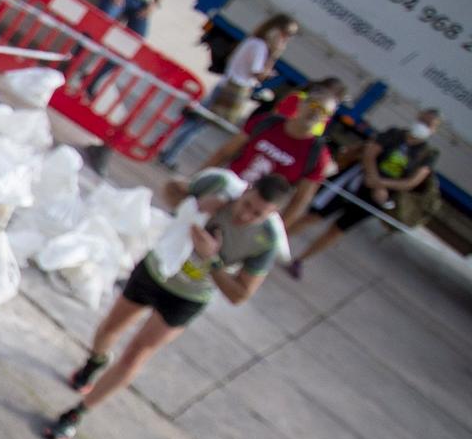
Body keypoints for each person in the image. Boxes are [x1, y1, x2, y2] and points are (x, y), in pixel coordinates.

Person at [46, 172, 291, 439]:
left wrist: (212, 260)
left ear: (272, 215)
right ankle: (96, 361)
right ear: (246, 190)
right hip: (156, 271)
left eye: (257, 214)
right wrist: (195, 200)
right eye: (247, 205)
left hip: (188, 296)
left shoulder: (266, 241)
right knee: (109, 330)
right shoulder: (221, 185)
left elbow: (240, 295)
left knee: (137, 353)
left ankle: (77, 413)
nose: (246, 216)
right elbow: (169, 191)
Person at [286, 108, 443, 278]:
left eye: (429, 124)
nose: (423, 126)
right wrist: (373, 177)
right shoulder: (395, 133)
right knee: (314, 216)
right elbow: (370, 153)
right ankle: (276, 241)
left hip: (378, 197)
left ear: (434, 129)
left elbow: (412, 181)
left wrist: (380, 185)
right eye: (423, 120)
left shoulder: (428, 154)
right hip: (354, 183)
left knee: (338, 229)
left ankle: (301, 260)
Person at [157, 14, 297, 167]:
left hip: (228, 85)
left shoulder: (254, 42)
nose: (285, 39)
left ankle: (165, 148)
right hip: (232, 88)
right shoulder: (260, 46)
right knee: (198, 123)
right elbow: (258, 73)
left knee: (196, 120)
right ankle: (168, 153)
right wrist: (274, 55)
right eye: (285, 34)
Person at [201, 79, 343, 226]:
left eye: (323, 110)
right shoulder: (266, 123)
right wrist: (199, 182)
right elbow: (224, 152)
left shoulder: (318, 155)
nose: (315, 112)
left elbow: (300, 200)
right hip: (224, 193)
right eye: (313, 104)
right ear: (301, 103)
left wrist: (279, 228)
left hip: (251, 216)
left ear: (326, 118)